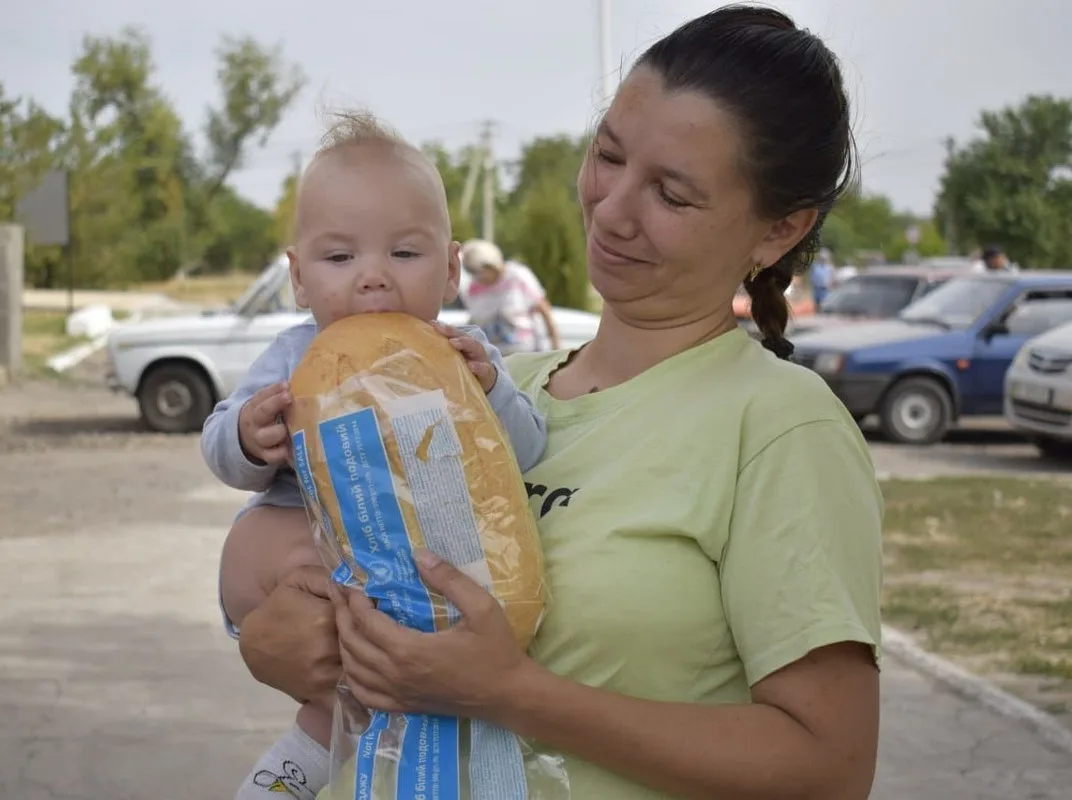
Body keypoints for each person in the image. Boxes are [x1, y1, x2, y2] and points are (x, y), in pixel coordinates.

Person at [223, 6, 884, 798]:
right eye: (607, 155)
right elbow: (327, 549)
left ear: (779, 229)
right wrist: (278, 641)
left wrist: (512, 693)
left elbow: (829, 768)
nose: (611, 209)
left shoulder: (780, 426)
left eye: (671, 196)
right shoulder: (486, 384)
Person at [202, 112, 548, 800]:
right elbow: (216, 442)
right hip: (314, 563)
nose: (373, 279)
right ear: (299, 279)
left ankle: (359, 766)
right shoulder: (296, 355)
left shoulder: (457, 353)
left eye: (404, 253)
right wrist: (249, 434)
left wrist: (493, 389)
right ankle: (290, 771)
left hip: (415, 575)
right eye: (340, 258)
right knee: (332, 678)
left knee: (382, 695)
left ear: (451, 268)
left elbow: (529, 449)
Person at [460, 238, 562, 353]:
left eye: (478, 271)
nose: (477, 277)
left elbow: (543, 308)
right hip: (492, 356)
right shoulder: (474, 288)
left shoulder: (516, 276)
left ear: (491, 265)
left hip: (525, 352)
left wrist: (556, 346)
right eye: (471, 272)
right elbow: (474, 321)